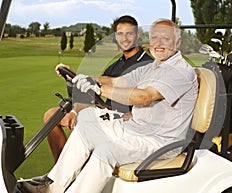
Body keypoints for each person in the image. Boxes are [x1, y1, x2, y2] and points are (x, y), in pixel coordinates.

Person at [23, 18, 198, 193]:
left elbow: (145, 96)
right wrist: (84, 78)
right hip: (136, 129)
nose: (158, 43)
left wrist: (99, 89)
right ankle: (53, 186)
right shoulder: (153, 67)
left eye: (165, 39)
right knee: (87, 118)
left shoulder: (181, 71)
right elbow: (118, 81)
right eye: (155, 38)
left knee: (105, 151)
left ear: (178, 42)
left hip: (159, 141)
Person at [44, 15, 153, 163]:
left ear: (137, 35)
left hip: (127, 123)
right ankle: (61, 169)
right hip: (107, 113)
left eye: (129, 33)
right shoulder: (117, 65)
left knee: (85, 124)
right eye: (120, 34)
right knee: (51, 115)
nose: (125, 38)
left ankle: (66, 173)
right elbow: (93, 92)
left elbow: (146, 102)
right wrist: (75, 110)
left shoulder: (147, 65)